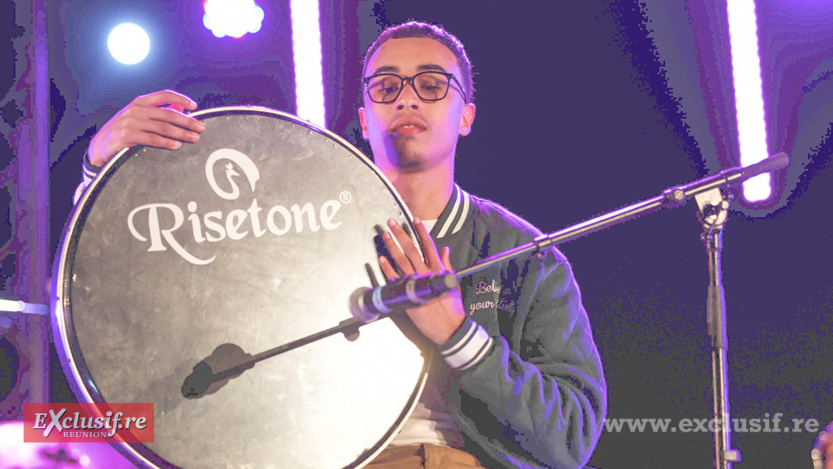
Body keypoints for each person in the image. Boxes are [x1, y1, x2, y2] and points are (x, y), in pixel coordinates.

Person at [76, 21, 606, 469]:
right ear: (363, 116)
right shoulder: (290, 220)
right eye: (385, 86)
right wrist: (101, 167)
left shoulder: (524, 256)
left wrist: (458, 334)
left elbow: (570, 436)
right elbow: (139, 275)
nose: (405, 98)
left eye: (431, 84)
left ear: (466, 115)